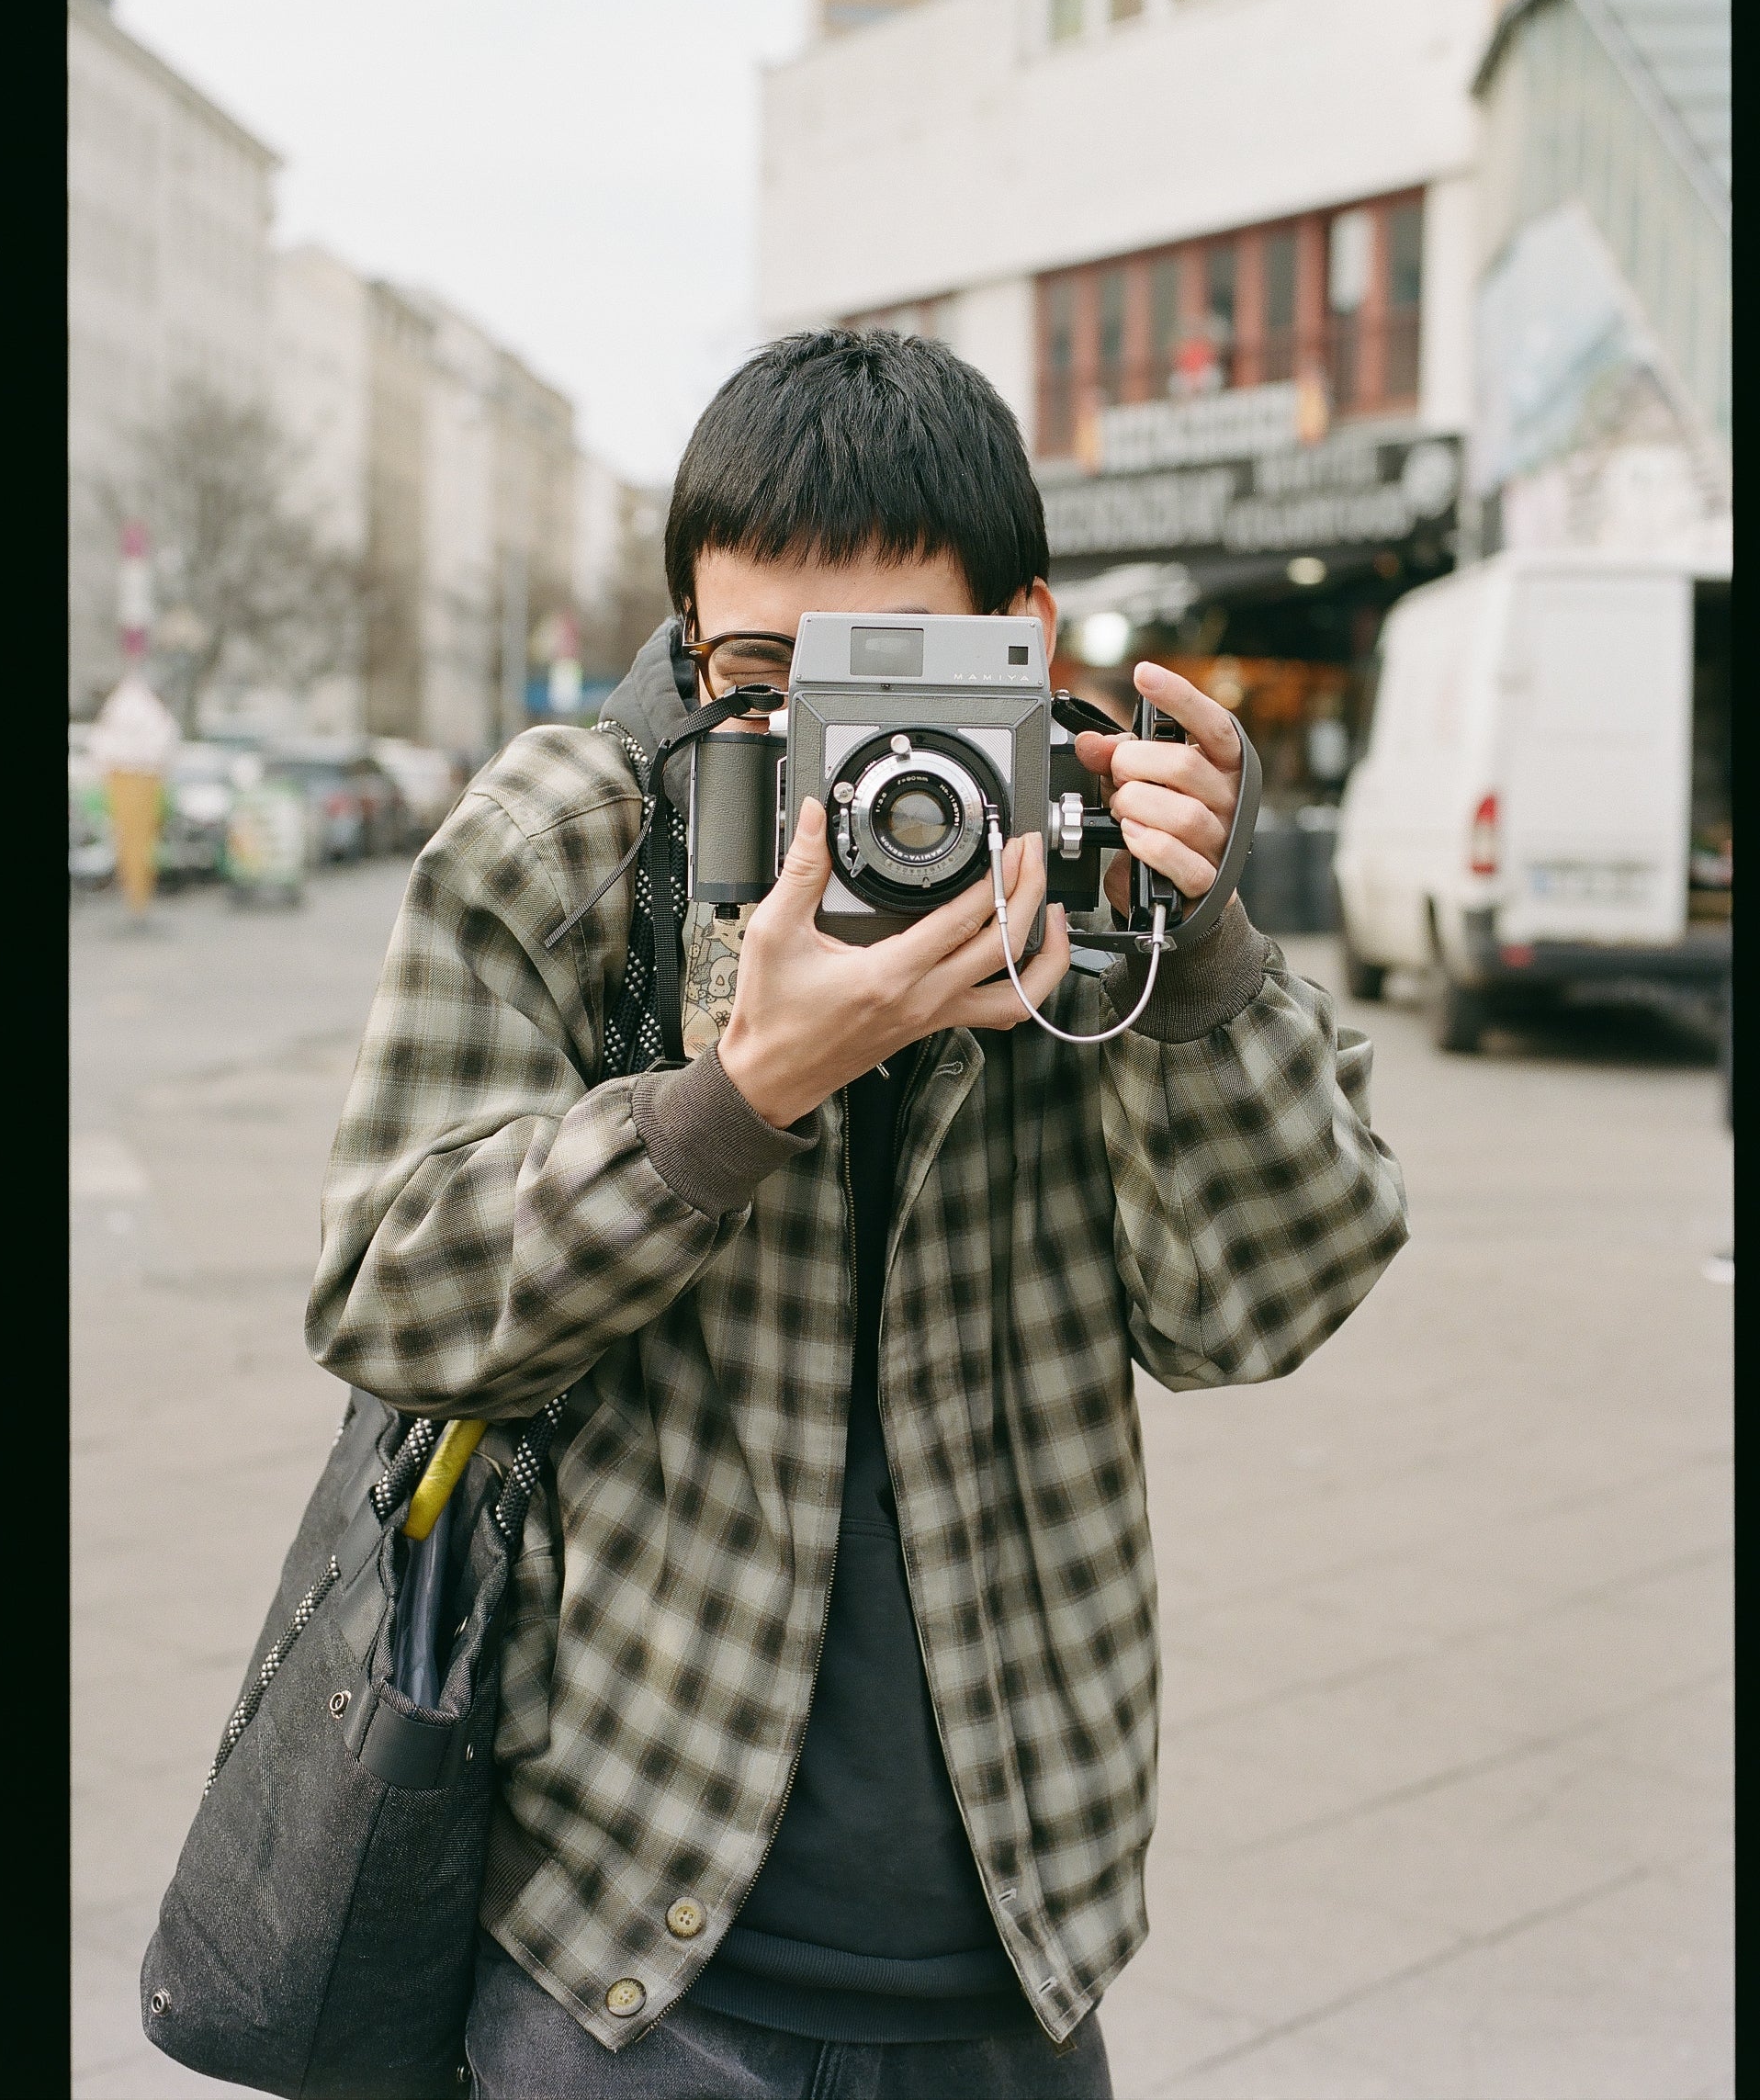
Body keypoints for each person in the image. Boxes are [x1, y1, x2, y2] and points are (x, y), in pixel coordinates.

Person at [306, 331, 1408, 2099]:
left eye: (892, 683)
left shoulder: (1090, 877)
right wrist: (727, 1103)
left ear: (1025, 639)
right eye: (756, 676)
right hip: (620, 1940)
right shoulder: (571, 838)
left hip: (1012, 1938)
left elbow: (1259, 1305)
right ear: (680, 635)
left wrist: (1194, 950)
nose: (831, 757)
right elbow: (386, 1293)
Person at [89, 672, 180, 925]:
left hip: (135, 774)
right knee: (135, 845)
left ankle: (138, 903)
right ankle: (137, 903)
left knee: (136, 845)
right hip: (140, 774)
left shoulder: (122, 715)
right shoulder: (144, 717)